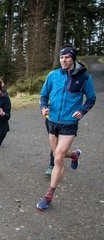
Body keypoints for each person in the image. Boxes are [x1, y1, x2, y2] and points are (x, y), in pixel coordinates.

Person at [37, 44, 96, 211]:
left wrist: (82, 111)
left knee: (58, 158)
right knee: (58, 154)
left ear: (73, 58)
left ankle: (49, 195)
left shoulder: (84, 77)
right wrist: (43, 107)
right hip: (52, 121)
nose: (64, 60)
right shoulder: (53, 75)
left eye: (67, 57)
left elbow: (91, 99)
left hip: (69, 123)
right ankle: (75, 155)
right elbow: (43, 95)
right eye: (61, 57)